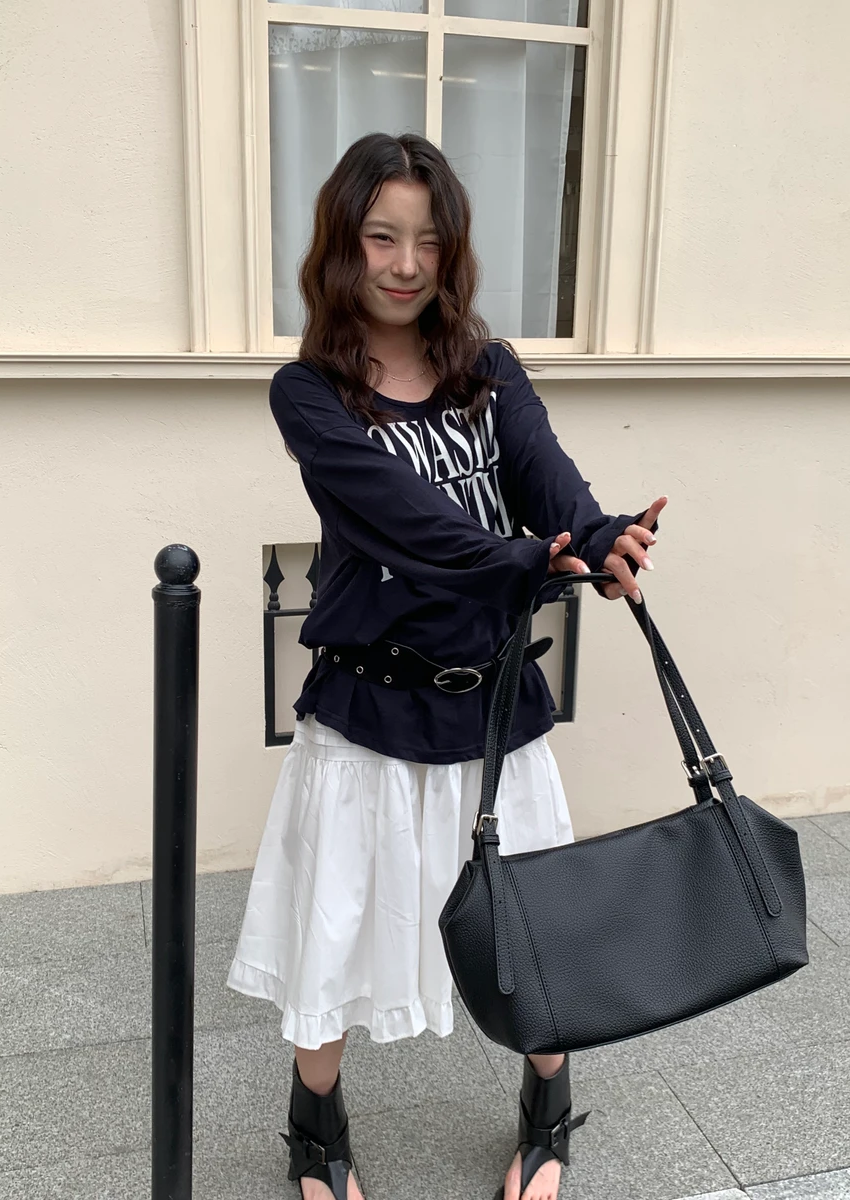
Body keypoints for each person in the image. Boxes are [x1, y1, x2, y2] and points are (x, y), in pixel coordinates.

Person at [227, 131, 666, 1200]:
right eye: (382, 237)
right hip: (369, 708)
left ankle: (547, 1116)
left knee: (534, 930)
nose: (405, 264)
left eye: (427, 241)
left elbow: (551, 485)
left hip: (495, 708)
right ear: (343, 243)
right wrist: (537, 561)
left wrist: (601, 541)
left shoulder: (489, 370)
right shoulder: (310, 393)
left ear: (453, 251)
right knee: (337, 932)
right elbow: (408, 526)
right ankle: (316, 1132)